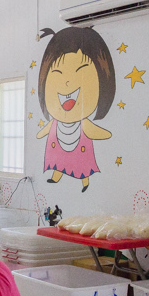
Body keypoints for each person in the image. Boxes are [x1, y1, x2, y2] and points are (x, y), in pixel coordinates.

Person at [34, 26, 116, 193]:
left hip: (80, 146)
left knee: (82, 164)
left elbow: (94, 131)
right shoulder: (55, 122)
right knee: (59, 162)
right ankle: (56, 176)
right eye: (57, 73)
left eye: (80, 72)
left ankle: (85, 181)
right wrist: (40, 133)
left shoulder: (84, 123)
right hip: (59, 146)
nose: (67, 83)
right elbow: (46, 129)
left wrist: (106, 133)